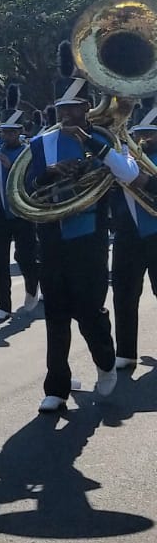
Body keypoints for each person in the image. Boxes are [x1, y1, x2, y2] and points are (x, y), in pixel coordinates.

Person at [22, 58, 136, 412]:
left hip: (90, 235)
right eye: (62, 109)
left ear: (87, 107)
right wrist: (50, 174)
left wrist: (93, 145)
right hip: (53, 235)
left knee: (89, 311)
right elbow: (26, 189)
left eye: (73, 108)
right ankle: (56, 386)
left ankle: (104, 360)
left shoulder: (104, 136)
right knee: (55, 313)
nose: (67, 115)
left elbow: (128, 174)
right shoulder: (42, 143)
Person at [110, 104, 157, 372]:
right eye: (139, 133)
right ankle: (126, 351)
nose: (143, 139)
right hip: (127, 234)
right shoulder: (126, 156)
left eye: (150, 133)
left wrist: (145, 181)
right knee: (124, 294)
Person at [0, 88, 40, 322]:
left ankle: (32, 287)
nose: (6, 136)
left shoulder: (28, 152)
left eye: (10, 132)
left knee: (25, 256)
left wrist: (10, 167)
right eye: (3, 131)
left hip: (22, 212)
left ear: (20, 131)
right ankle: (3, 304)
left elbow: (34, 181)